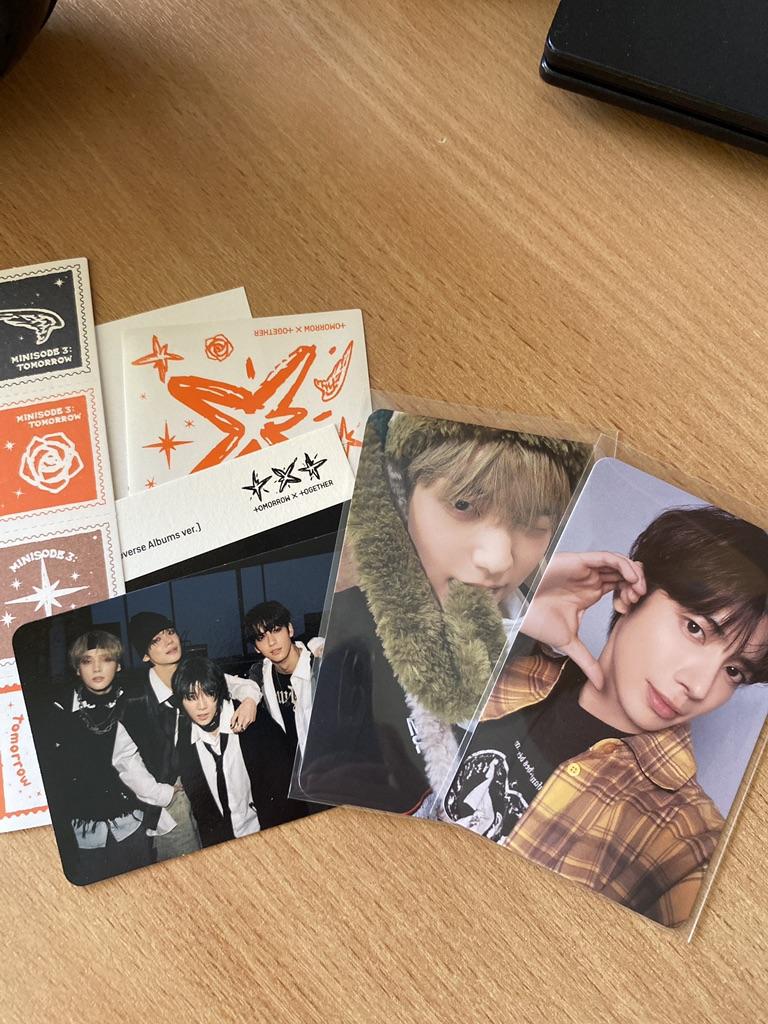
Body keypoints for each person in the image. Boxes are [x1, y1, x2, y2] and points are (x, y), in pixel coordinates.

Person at [442, 505, 768, 927]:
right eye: (695, 629)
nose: (700, 685)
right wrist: (514, 599)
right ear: (633, 592)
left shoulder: (690, 841)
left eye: (734, 671)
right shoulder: (510, 657)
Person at [298, 409, 591, 815]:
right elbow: (328, 789)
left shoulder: (550, 647)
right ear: (400, 497)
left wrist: (531, 634)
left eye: (534, 524)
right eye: (463, 504)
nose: (499, 559)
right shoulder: (349, 628)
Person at [114, 612, 261, 861]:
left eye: (170, 632)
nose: (168, 641)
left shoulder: (193, 674)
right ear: (145, 655)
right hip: (175, 799)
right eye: (156, 640)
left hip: (206, 784)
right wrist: (161, 794)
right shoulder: (134, 699)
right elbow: (123, 758)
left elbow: (236, 684)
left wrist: (249, 701)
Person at [172, 655, 316, 848]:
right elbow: (203, 813)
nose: (202, 705)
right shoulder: (185, 742)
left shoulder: (256, 726)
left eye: (209, 693)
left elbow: (285, 795)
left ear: (219, 692)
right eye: (191, 697)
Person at [53, 630, 154, 884]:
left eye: (106, 659)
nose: (97, 668)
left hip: (133, 827)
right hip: (84, 835)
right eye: (87, 661)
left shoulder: (135, 702)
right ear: (77, 669)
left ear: (118, 665)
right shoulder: (60, 710)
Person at [244, 600, 321, 759]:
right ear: (256, 648)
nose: (271, 642)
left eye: (276, 630)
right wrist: (249, 700)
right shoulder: (262, 678)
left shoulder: (317, 664)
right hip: (294, 769)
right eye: (261, 637)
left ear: (290, 630)